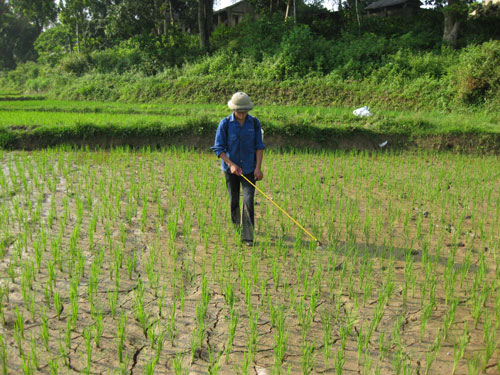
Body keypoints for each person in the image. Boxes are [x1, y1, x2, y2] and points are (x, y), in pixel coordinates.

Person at [211, 92, 265, 246]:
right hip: (231, 170)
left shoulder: (254, 123)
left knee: (248, 200)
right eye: (239, 112)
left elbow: (259, 147)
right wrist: (231, 164)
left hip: (249, 169)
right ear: (234, 109)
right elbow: (218, 148)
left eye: (245, 111)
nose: (242, 115)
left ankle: (248, 237)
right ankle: (236, 227)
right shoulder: (226, 123)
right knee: (234, 199)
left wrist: (258, 168)